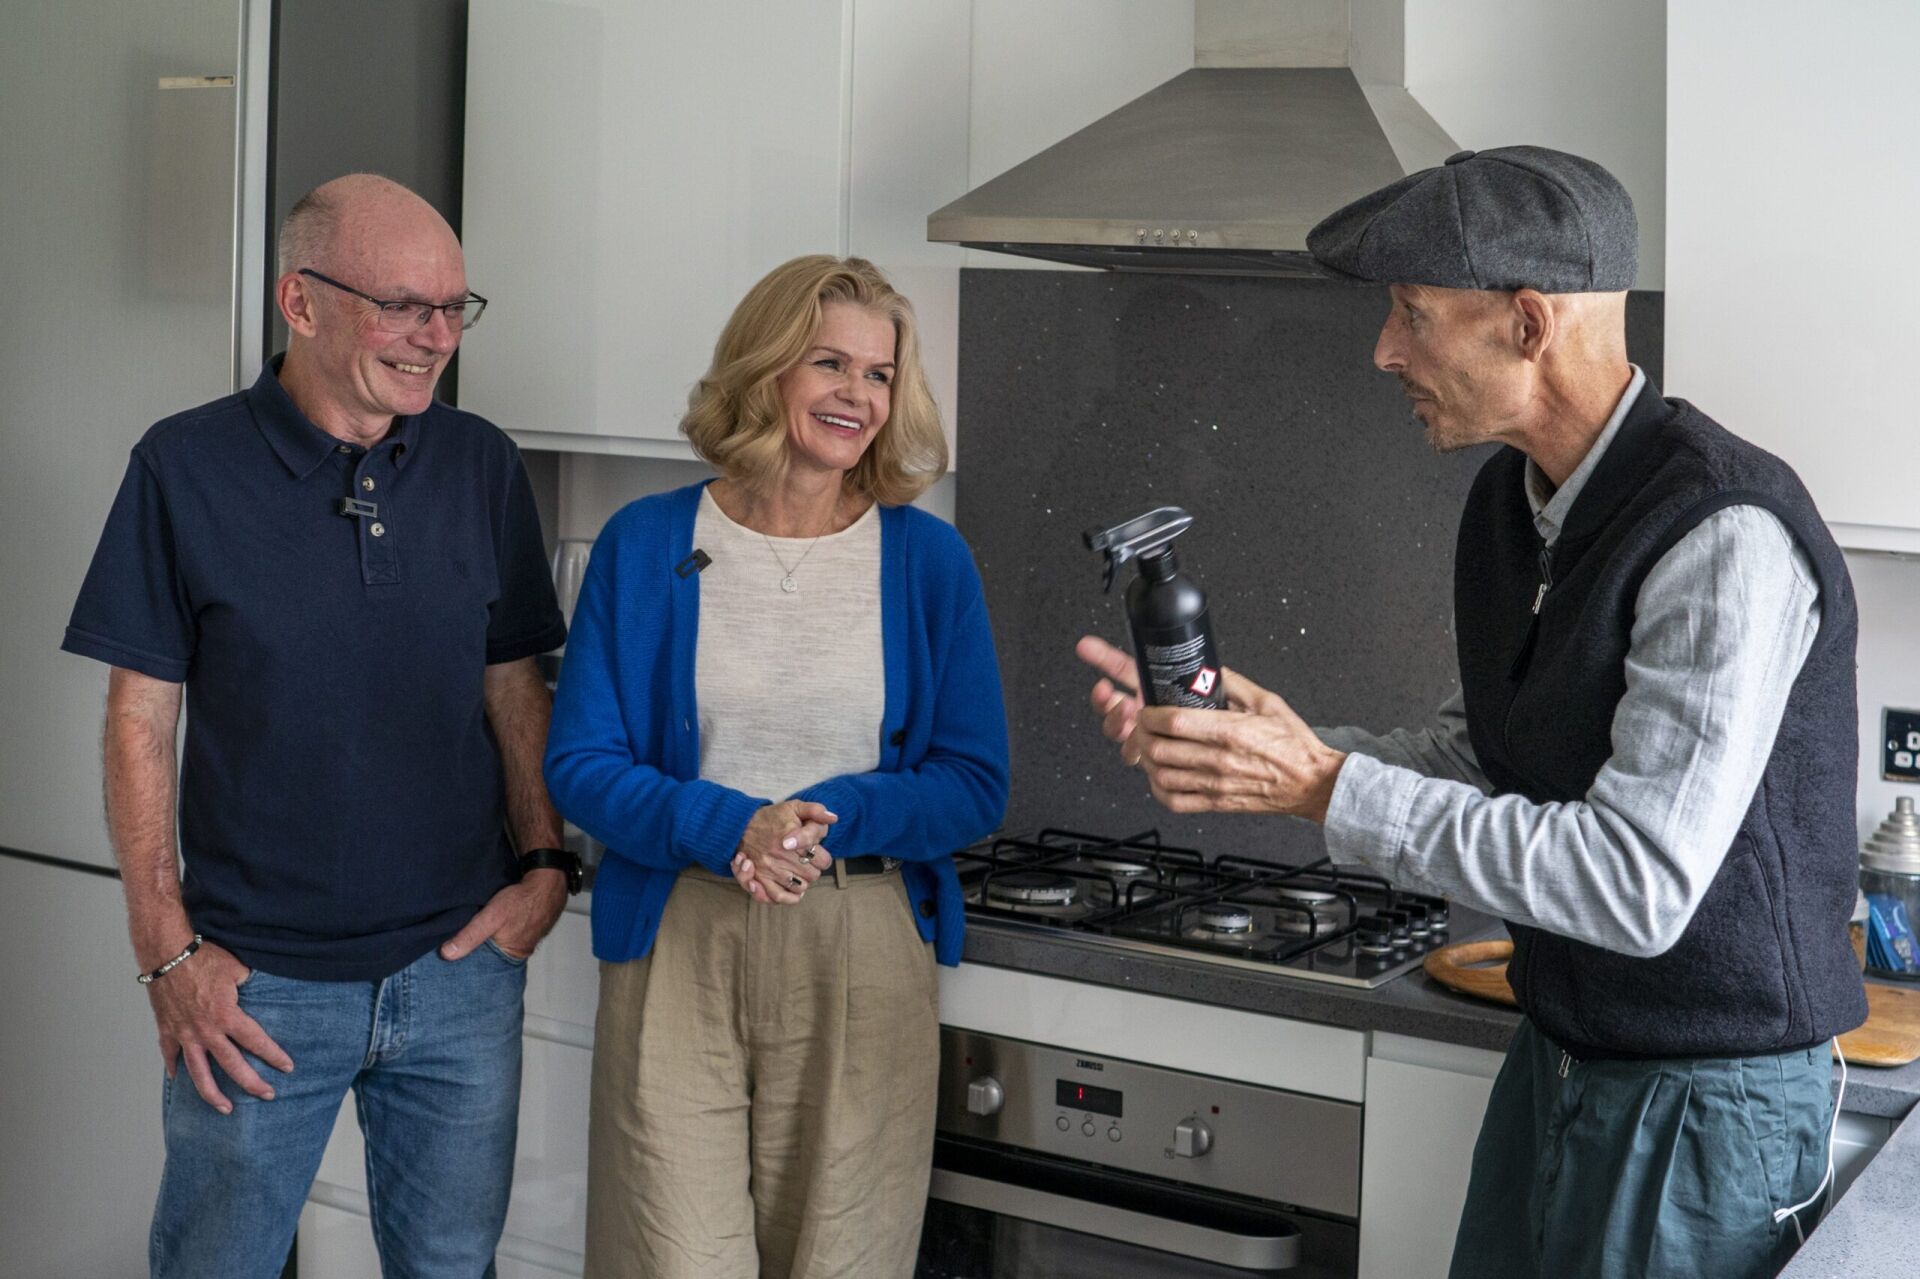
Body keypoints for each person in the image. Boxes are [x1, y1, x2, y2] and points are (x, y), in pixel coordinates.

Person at [1077, 146, 1866, 1279]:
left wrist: (1321, 785)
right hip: (1557, 1058)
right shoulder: (1513, 501)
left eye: (1412, 313)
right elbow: (1481, 750)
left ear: (1529, 322)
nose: (1384, 350)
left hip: (1708, 1104)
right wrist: (1267, 755)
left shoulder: (1721, 533)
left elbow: (1636, 882)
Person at [63, 173, 576, 1277]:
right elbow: (140, 716)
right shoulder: (181, 465)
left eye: (453, 307)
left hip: (460, 970)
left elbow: (513, 682)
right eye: (403, 306)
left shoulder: (481, 463)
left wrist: (544, 863)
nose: (436, 337)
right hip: (255, 983)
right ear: (300, 301)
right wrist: (165, 949)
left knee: (453, 1268)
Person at [545, 254, 1009, 1278]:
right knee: (669, 1257)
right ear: (765, 368)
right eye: (829, 363)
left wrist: (833, 810)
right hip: (679, 934)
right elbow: (579, 763)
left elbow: (975, 781)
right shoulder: (645, 542)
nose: (857, 395)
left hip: (862, 942)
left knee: (843, 1257)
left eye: (879, 374)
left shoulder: (929, 562)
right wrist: (732, 826)